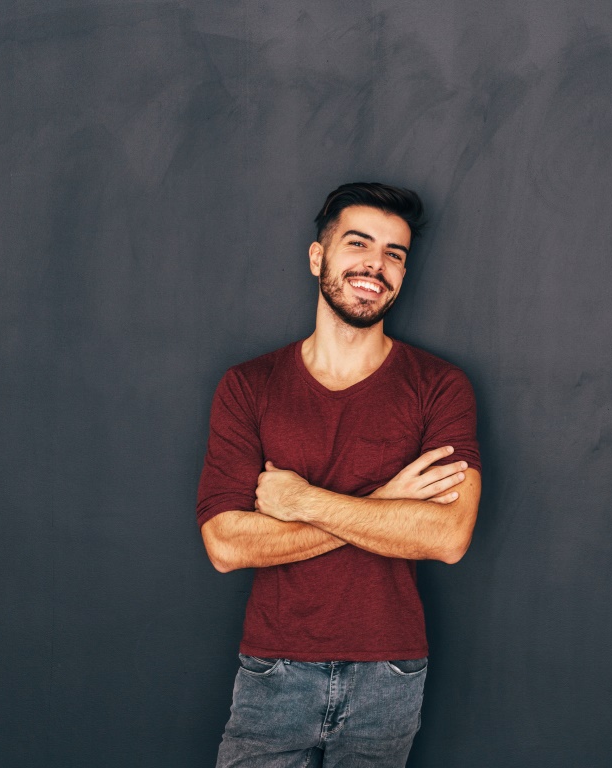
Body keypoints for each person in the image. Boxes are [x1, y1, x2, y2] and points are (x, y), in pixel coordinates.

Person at [196, 182, 482, 767]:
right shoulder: (249, 386)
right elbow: (225, 544)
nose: (376, 264)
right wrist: (386, 503)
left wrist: (300, 501)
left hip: (391, 673)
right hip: (273, 669)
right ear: (317, 256)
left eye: (395, 254)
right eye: (359, 244)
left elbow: (448, 538)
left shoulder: (440, 387)